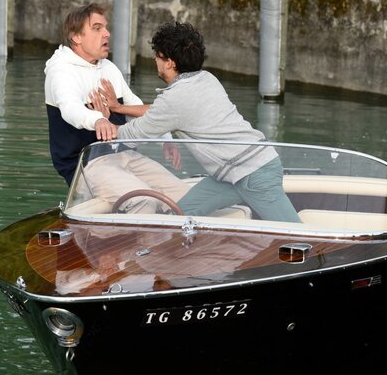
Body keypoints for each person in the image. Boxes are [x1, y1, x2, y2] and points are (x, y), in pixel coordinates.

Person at [96, 21, 301, 223]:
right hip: (231, 174)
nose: (155, 62)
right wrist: (119, 108)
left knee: (296, 237)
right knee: (177, 219)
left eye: (157, 56)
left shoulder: (174, 99)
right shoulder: (206, 79)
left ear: (169, 62)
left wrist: (102, 121)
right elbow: (162, 111)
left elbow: (136, 132)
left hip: (255, 173)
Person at [44, 3, 188, 213]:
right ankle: (141, 247)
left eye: (105, 27)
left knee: (185, 197)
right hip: (87, 165)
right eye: (97, 28)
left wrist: (165, 138)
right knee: (143, 200)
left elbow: (134, 106)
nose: (106, 33)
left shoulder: (108, 68)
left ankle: (185, 243)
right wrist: (98, 120)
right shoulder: (61, 71)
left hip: (126, 155)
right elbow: (70, 109)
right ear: (76, 36)